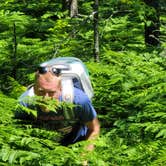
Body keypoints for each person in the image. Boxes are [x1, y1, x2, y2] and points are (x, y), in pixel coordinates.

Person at [16, 64, 100, 148]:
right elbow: (17, 132)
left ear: (61, 89)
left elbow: (94, 128)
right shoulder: (24, 102)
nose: (46, 98)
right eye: (41, 92)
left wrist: (84, 156)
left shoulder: (78, 100)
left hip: (75, 146)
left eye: (52, 93)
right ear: (34, 89)